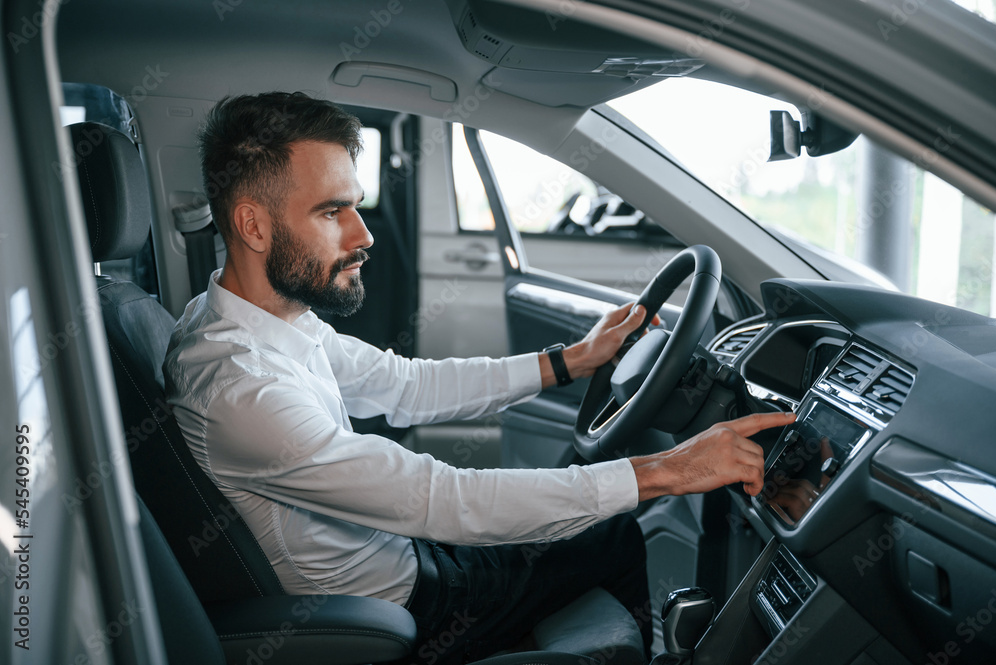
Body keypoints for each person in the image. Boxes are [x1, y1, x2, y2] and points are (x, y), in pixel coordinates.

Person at [163, 91, 795, 663]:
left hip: (407, 555)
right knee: (614, 538)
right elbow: (446, 501)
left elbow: (405, 386)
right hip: (401, 607)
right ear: (253, 226)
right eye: (332, 212)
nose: (363, 235)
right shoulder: (243, 390)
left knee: (587, 525)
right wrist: (670, 470)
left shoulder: (249, 319)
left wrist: (570, 361)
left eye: (356, 206)